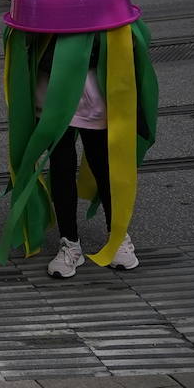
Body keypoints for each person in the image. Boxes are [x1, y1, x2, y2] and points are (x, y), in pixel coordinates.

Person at [40, 49, 139, 278]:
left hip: (93, 88)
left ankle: (118, 235)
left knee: (103, 162)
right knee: (61, 165)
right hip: (53, 86)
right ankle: (69, 243)